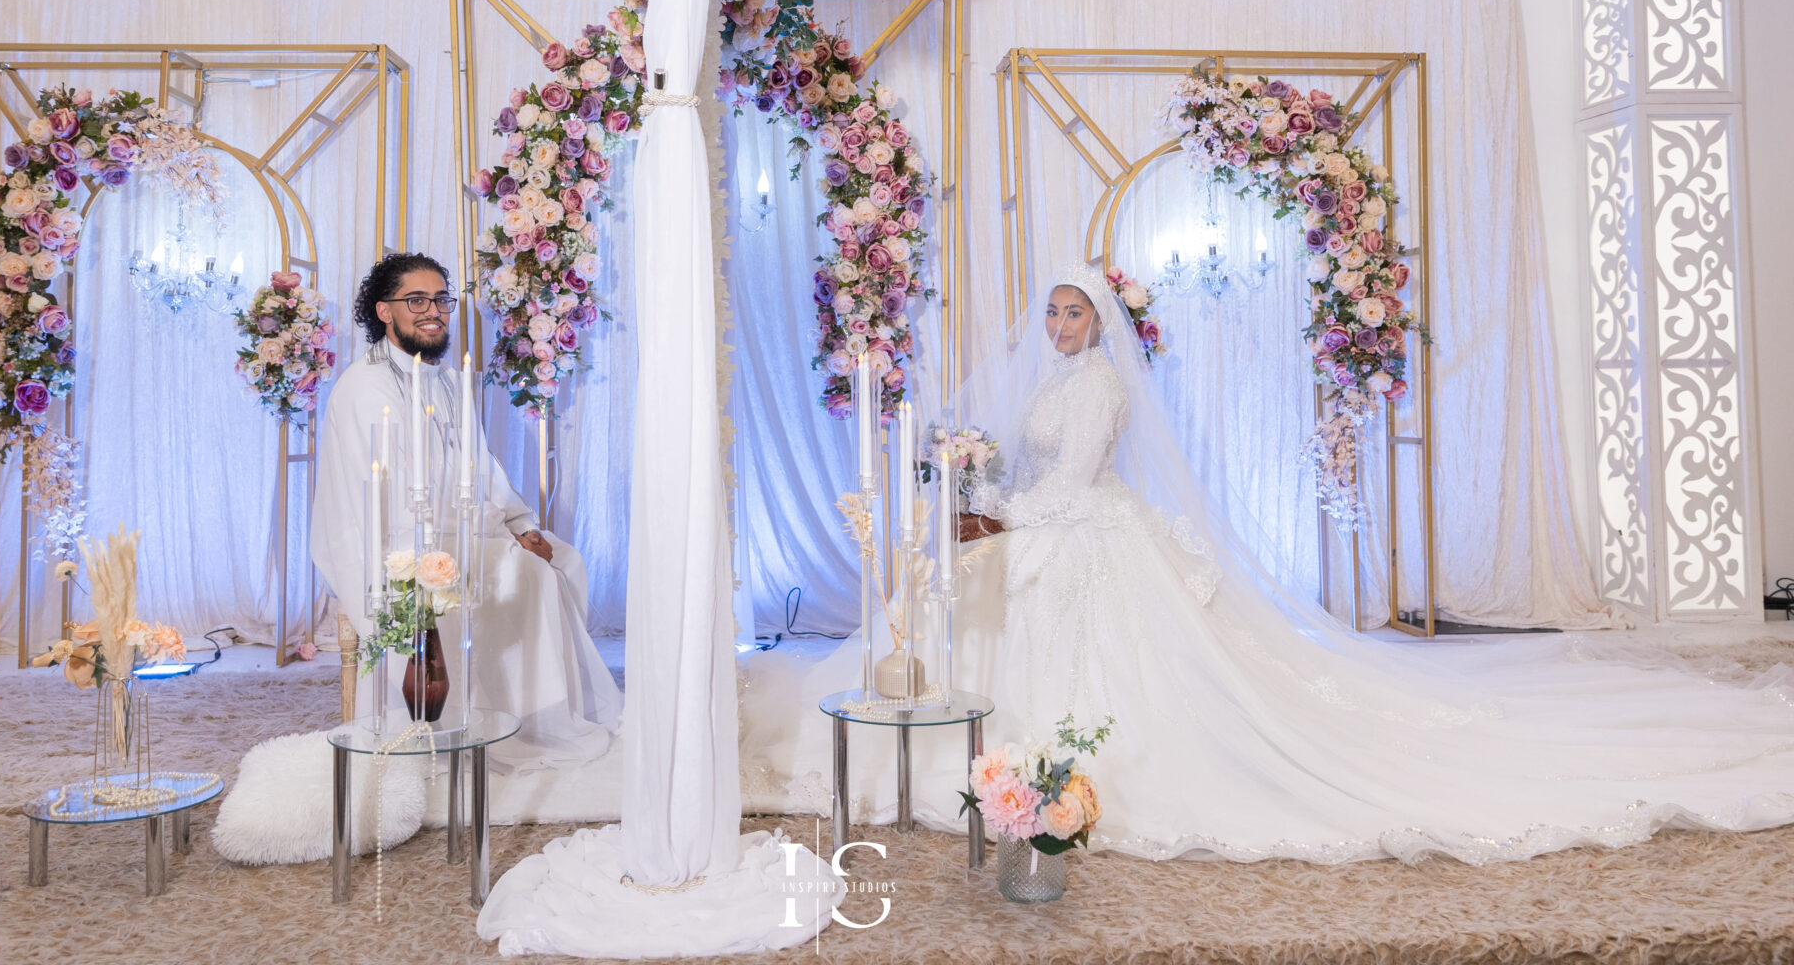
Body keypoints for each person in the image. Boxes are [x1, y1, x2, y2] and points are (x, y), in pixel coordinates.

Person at [738, 261, 1794, 863]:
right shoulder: (1049, 381)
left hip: (1084, 530)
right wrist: (981, 486)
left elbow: (1070, 485)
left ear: (1101, 322)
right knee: (971, 590)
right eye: (1052, 310)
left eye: (1074, 311)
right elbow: (1030, 469)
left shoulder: (1100, 385)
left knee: (1078, 634)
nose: (1058, 323)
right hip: (1050, 523)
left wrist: (999, 511)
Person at [311, 252, 620, 763]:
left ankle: (539, 711)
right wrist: (494, 538)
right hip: (395, 545)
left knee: (563, 559)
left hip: (463, 527)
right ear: (384, 311)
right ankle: (510, 726)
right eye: (416, 300)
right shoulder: (366, 386)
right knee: (529, 574)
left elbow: (480, 468)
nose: (433, 311)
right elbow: (392, 499)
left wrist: (518, 524)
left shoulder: (448, 380)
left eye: (441, 300)